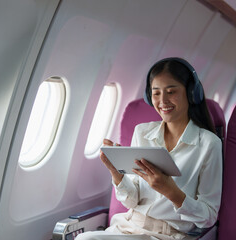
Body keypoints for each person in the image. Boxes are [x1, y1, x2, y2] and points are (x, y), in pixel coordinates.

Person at [76, 57, 223, 240]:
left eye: (171, 92)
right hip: (128, 227)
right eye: (156, 93)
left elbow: (208, 217)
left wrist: (172, 192)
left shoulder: (209, 144)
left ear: (191, 93)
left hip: (169, 235)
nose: (163, 101)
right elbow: (132, 199)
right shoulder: (142, 132)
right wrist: (116, 173)